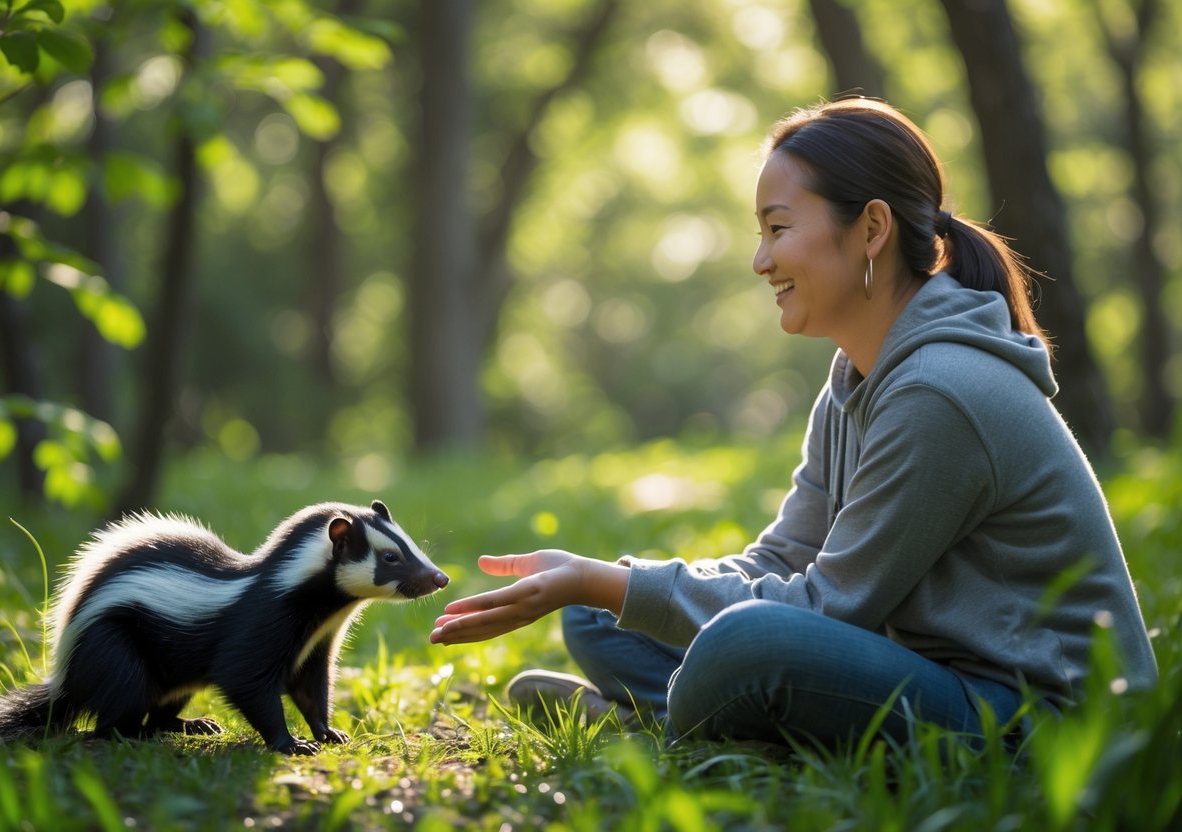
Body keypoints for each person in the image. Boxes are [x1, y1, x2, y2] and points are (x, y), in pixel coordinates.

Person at [429, 98, 1159, 748]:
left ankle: (664, 733)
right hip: (931, 674)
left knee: (743, 642)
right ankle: (696, 721)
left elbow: (826, 607)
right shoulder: (857, 375)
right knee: (600, 615)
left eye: (777, 228)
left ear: (870, 228)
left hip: (1039, 720)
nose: (758, 260)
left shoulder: (942, 392)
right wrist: (598, 584)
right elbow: (783, 560)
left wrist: (603, 584)